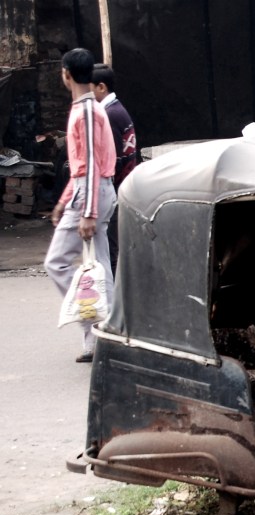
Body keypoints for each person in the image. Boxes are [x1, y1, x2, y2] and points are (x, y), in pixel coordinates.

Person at [44, 48, 117, 363]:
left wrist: (86, 212)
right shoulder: (90, 108)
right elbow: (83, 165)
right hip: (96, 190)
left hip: (92, 194)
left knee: (57, 262)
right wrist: (63, 202)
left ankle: (97, 329)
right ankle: (105, 336)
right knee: (100, 266)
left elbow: (88, 163)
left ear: (66, 74)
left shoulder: (86, 111)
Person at [90, 63, 138, 279]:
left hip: (117, 189)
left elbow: (115, 159)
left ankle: (114, 296)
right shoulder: (118, 109)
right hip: (124, 186)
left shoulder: (109, 115)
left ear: (101, 87)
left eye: (89, 88)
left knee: (110, 248)